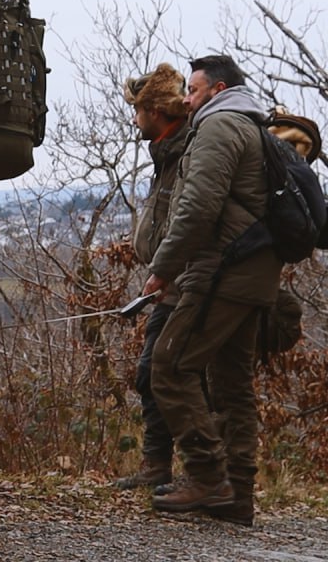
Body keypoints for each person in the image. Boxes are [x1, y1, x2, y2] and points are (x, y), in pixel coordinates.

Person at [142, 55, 282, 525]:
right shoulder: (252, 125)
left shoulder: (220, 126)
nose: (186, 99)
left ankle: (207, 476)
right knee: (232, 383)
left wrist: (163, 268)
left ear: (217, 90)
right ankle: (237, 494)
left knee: (170, 364)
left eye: (194, 90)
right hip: (254, 274)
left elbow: (199, 206)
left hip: (224, 270)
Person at [116, 63, 190, 490]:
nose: (134, 119)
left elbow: (187, 220)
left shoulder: (185, 154)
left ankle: (201, 471)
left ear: (155, 111)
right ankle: (156, 466)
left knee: (171, 374)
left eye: (138, 111)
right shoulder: (165, 153)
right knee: (150, 374)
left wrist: (165, 271)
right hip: (166, 285)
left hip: (182, 285)